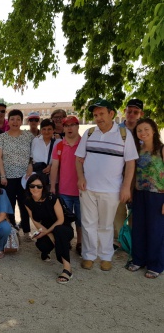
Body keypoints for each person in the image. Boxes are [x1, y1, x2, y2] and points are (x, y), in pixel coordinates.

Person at [75, 99, 138, 271]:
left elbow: (130, 163)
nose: (98, 118)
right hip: (87, 189)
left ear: (111, 113)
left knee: (106, 225)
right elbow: (79, 159)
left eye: (101, 114)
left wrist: (126, 187)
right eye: (95, 115)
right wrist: (80, 177)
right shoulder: (89, 133)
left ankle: (105, 256)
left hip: (111, 190)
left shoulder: (124, 135)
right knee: (88, 224)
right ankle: (88, 256)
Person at [127, 118, 164, 279]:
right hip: (139, 194)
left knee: (156, 231)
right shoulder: (137, 150)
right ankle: (138, 259)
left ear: (154, 130)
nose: (143, 133)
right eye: (139, 130)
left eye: (146, 129)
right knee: (139, 229)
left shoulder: (162, 150)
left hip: (158, 196)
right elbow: (133, 173)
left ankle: (155, 264)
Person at [24, 174, 74, 284]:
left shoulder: (52, 198)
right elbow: (35, 221)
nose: (35, 189)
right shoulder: (28, 201)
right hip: (46, 228)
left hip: (63, 228)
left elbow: (60, 220)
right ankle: (55, 247)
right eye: (32, 186)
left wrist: (47, 232)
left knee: (59, 232)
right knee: (42, 245)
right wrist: (48, 234)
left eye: (39, 186)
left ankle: (67, 268)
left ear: (44, 187)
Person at [0, 109, 35, 240]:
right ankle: (12, 228)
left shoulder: (28, 136)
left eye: (18, 119)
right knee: (10, 203)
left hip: (25, 177)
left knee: (25, 204)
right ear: (8, 120)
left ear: (21, 121)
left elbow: (33, 154)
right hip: (8, 177)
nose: (15, 122)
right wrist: (2, 175)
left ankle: (26, 230)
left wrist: (30, 165)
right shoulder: (3, 137)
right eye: (12, 119)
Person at [50, 116, 82, 255]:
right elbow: (55, 167)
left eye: (72, 125)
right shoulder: (59, 145)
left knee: (81, 219)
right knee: (66, 220)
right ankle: (68, 240)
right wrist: (52, 186)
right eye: (66, 125)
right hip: (64, 190)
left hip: (82, 190)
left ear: (77, 126)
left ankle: (80, 242)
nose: (69, 128)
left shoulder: (84, 144)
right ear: (63, 128)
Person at [114, 98, 144, 247]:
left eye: (135, 112)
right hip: (118, 177)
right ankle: (120, 241)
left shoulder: (144, 130)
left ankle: (133, 241)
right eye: (129, 111)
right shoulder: (116, 129)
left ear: (140, 114)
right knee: (118, 212)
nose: (131, 114)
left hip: (139, 179)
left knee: (135, 213)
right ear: (125, 111)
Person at [30, 118, 61, 185]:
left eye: (49, 129)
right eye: (44, 129)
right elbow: (31, 157)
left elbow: (63, 160)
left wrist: (51, 166)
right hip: (38, 180)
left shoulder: (59, 142)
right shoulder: (35, 141)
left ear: (54, 130)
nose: (46, 132)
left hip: (53, 180)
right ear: (41, 130)